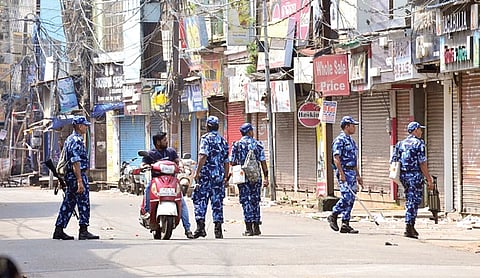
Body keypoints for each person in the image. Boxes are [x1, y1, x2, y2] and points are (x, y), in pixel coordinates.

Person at [140, 132, 194, 239]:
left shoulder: (171, 152)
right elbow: (143, 163)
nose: (166, 141)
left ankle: (187, 229)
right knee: (148, 189)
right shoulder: (151, 154)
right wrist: (145, 166)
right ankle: (147, 211)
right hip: (157, 180)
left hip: (172, 181)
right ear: (158, 142)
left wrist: (182, 166)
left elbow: (178, 161)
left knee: (181, 202)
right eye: (164, 140)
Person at [53, 115, 99, 240]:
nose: (86, 128)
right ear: (79, 126)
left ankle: (59, 229)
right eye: (85, 125)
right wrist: (80, 180)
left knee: (69, 202)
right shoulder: (76, 140)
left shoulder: (69, 139)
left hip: (70, 175)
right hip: (76, 175)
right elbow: (75, 161)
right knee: (83, 201)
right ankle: (83, 230)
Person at [391, 121, 433, 239]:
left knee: (410, 199)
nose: (421, 131)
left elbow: (394, 160)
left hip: (404, 176)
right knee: (413, 201)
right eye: (420, 129)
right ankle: (409, 226)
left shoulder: (400, 144)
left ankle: (410, 225)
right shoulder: (419, 144)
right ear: (415, 130)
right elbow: (422, 163)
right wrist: (428, 179)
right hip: (414, 175)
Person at [192, 116, 229, 239]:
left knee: (200, 200)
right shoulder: (223, 141)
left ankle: (200, 228)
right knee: (217, 202)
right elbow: (226, 161)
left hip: (206, 176)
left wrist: (197, 172)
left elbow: (203, 156)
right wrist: (225, 177)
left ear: (207, 126)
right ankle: (218, 230)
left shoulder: (205, 139)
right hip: (218, 176)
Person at [229, 123, 268, 236]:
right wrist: (266, 177)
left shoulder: (237, 145)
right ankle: (256, 227)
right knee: (255, 200)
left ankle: (248, 228)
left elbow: (232, 161)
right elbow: (263, 162)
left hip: (243, 177)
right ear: (250, 132)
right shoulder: (258, 144)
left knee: (246, 201)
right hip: (256, 176)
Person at [327, 116, 363, 234]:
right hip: (344, 171)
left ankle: (345, 223)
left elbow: (354, 159)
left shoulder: (351, 141)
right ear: (346, 126)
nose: (354, 128)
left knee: (351, 198)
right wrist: (341, 174)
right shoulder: (340, 140)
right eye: (353, 125)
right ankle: (334, 214)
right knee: (347, 196)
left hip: (352, 172)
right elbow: (336, 158)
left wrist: (358, 175)